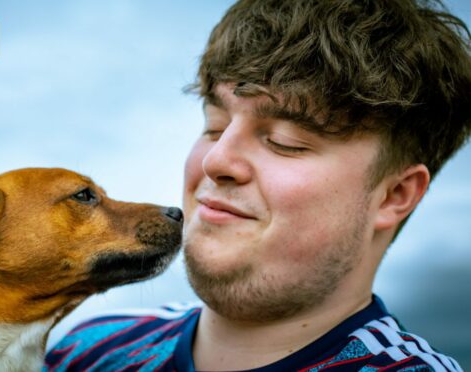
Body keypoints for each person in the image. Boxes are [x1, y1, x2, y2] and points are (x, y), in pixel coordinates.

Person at [44, 0, 471, 370]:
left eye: (284, 142)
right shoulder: (85, 351)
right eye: (214, 126)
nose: (216, 161)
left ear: (394, 195)